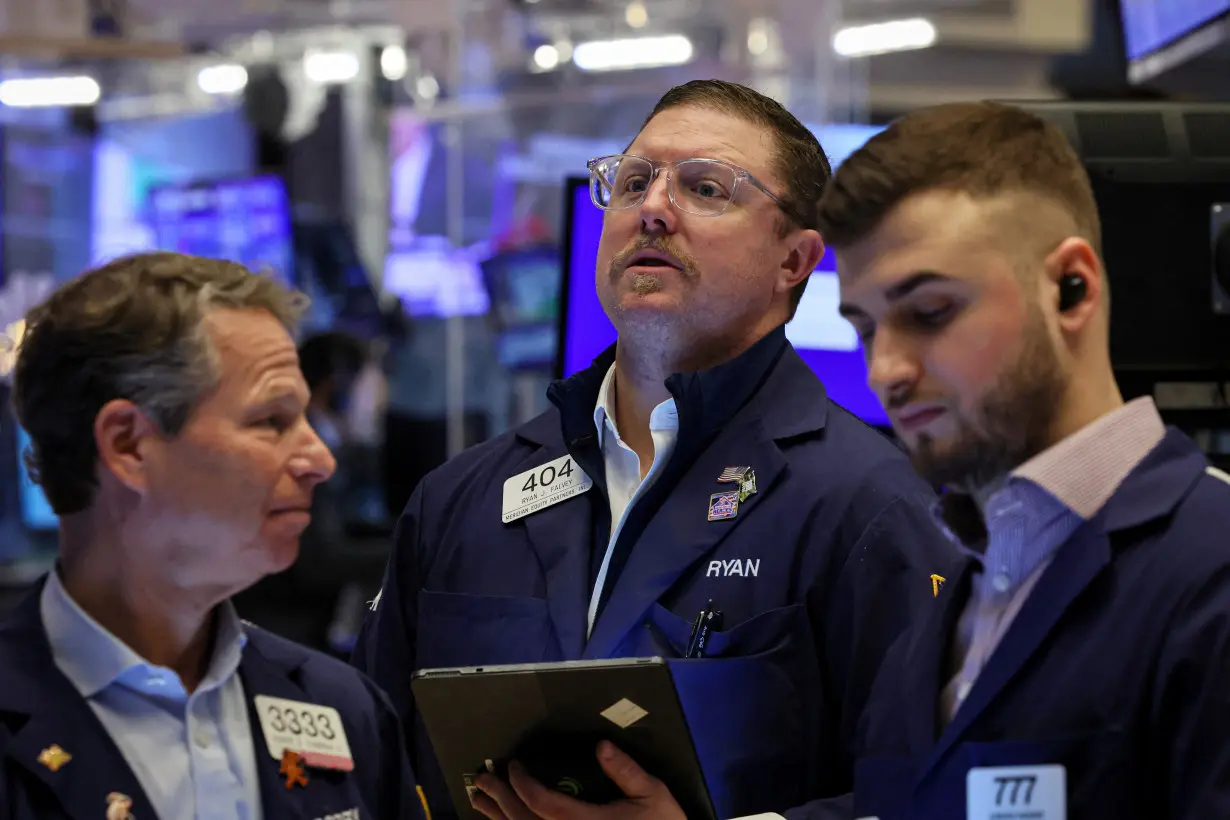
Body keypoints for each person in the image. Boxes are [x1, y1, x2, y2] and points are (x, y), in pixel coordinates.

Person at [352, 79, 953, 820]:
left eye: (706, 187)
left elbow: (940, 797)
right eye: (633, 181)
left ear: (794, 261)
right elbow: (369, 768)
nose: (652, 209)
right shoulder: (458, 500)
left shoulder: (869, 508)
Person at [815, 102, 1230, 818]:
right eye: (865, 328)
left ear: (1071, 289)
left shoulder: (1211, 575)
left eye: (930, 312)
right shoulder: (949, 606)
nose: (884, 371)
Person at [0, 253, 426, 820]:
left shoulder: (343, 708)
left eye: (305, 418)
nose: (319, 459)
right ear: (128, 445)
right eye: (271, 421)